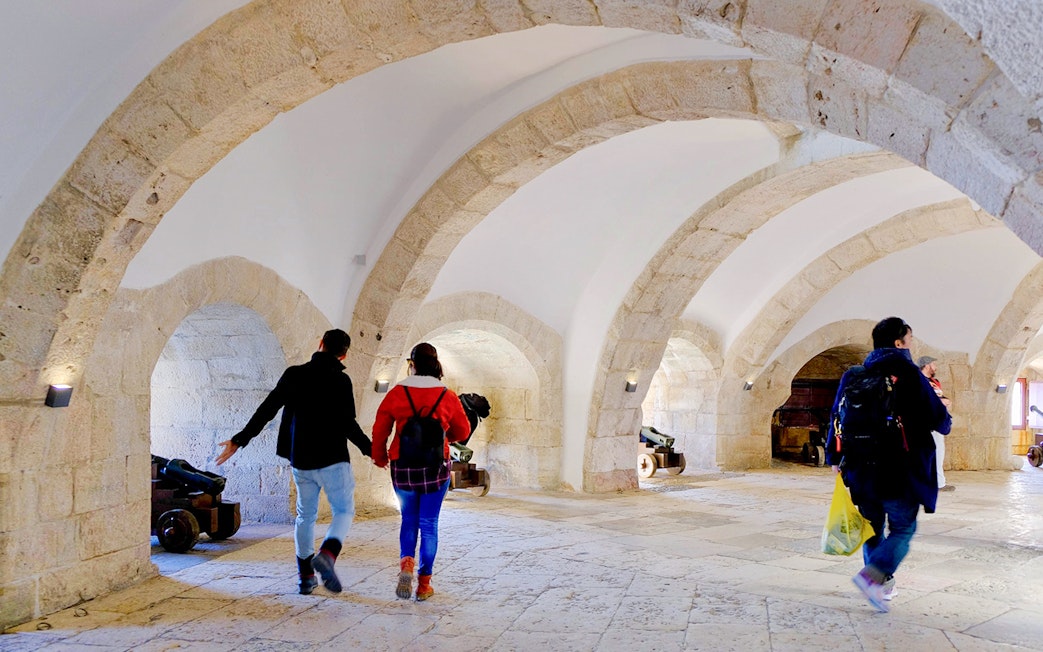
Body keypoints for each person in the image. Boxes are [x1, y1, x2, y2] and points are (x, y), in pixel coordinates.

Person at [215, 329, 373, 595]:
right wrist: (372, 451)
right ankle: (328, 554)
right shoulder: (342, 381)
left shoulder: (294, 374)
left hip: (302, 459)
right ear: (344, 354)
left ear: (320, 344)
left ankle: (305, 577)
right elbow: (348, 424)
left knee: (305, 516)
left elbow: (267, 409)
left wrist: (240, 440)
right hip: (334, 459)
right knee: (343, 511)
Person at [825, 317, 950, 613]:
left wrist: (833, 456)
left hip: (860, 467)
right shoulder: (908, 372)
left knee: (872, 527)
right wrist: (946, 420)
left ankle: (880, 584)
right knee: (903, 528)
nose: (911, 344)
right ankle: (873, 577)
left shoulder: (855, 374)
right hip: (899, 468)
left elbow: (835, 416)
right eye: (909, 339)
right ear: (899, 343)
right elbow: (936, 417)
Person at [371, 342, 471, 601]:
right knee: (429, 524)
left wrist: (380, 456)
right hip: (436, 467)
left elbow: (381, 428)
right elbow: (463, 431)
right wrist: (443, 433)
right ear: (436, 364)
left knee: (408, 519)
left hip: (403, 466)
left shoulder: (397, 393)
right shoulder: (447, 396)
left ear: (412, 365)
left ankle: (406, 565)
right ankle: (424, 584)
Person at [917, 356, 954, 491]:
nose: (935, 367)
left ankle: (939, 482)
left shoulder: (934, 382)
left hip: (937, 421)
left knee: (939, 451)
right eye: (933, 364)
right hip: (926, 423)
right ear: (926, 365)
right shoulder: (918, 382)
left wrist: (945, 400)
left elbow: (938, 397)